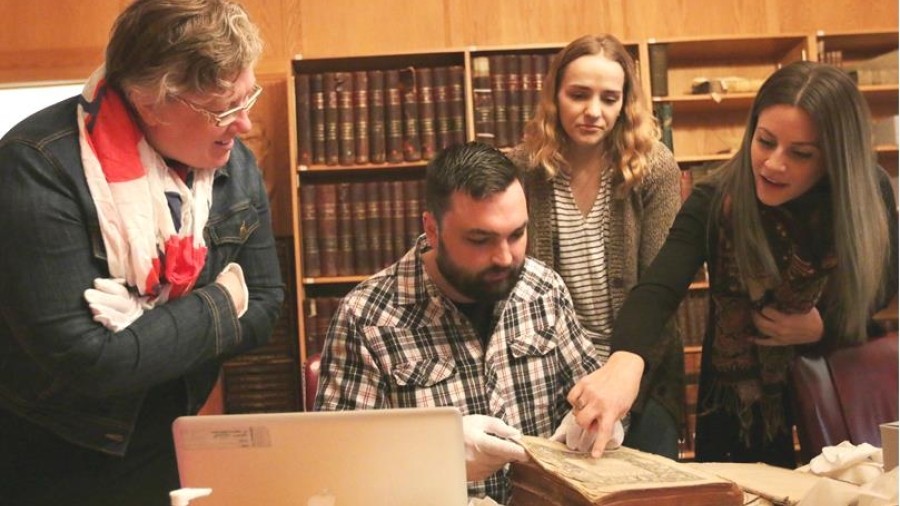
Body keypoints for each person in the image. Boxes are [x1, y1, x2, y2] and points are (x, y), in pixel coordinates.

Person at [0, 1, 284, 504]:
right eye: (223, 109)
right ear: (150, 101)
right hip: (55, 450)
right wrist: (220, 302)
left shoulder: (231, 162)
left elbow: (264, 305)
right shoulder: (35, 165)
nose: (244, 125)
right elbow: (89, 361)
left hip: (172, 432)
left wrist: (142, 323)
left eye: (248, 97)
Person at [571, 60, 898, 467]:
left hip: (841, 382)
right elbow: (658, 288)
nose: (773, 164)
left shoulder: (867, 189)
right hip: (738, 403)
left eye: (800, 153)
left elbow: (885, 278)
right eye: (765, 141)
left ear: (835, 158)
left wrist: (823, 324)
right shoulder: (715, 199)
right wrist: (625, 360)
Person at [315, 142, 620, 503]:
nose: (505, 258)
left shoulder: (543, 289)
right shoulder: (367, 319)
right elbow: (336, 478)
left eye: (517, 234)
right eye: (480, 239)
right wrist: (432, 459)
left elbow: (593, 398)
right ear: (432, 230)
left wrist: (602, 420)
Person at [511, 34, 683, 459]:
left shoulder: (654, 167)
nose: (593, 112)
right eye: (578, 95)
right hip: (549, 380)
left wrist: (622, 377)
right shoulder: (521, 170)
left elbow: (661, 290)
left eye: (609, 98)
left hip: (642, 373)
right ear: (554, 97)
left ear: (625, 103)